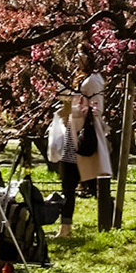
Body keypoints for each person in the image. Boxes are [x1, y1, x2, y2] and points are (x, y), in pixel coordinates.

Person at [45, 71, 112, 237]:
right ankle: (65, 227)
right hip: (72, 137)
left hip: (81, 138)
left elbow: (97, 108)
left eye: (80, 53)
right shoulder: (81, 78)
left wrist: (79, 106)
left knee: (85, 184)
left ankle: (107, 223)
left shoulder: (93, 80)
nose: (76, 58)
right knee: (68, 185)